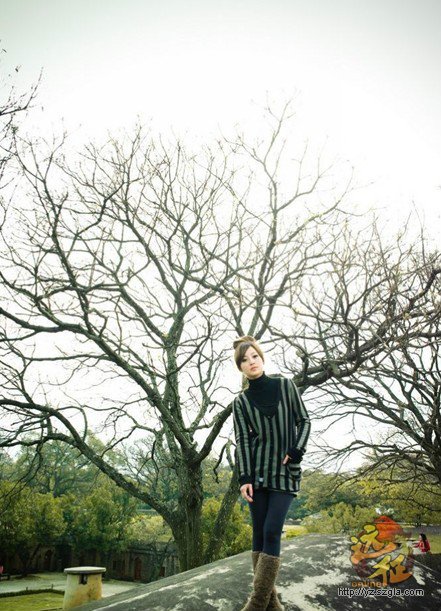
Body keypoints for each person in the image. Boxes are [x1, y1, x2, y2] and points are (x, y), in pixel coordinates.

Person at [232, 336, 311, 611]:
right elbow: (242, 441)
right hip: (257, 474)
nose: (251, 362)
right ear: (240, 367)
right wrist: (244, 478)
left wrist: (297, 449)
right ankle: (272, 604)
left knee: (272, 531)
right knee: (258, 535)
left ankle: (256, 603)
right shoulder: (241, 402)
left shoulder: (285, 386)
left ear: (261, 358)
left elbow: (304, 420)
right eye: (244, 360)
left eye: (254, 356)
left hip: (286, 472)